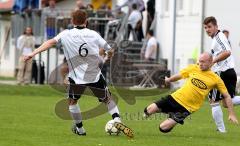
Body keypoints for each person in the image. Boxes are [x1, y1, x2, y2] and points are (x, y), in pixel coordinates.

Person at [23, 10, 133, 138]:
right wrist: (108, 56)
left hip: (77, 79)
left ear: (72, 21)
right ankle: (117, 120)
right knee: (108, 99)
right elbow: (109, 49)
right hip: (94, 75)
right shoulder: (94, 34)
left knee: (72, 102)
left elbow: (50, 43)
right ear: (86, 21)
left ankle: (80, 129)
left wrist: (33, 53)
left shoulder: (65, 34)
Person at [143, 53, 238, 133]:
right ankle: (161, 111)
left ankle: (173, 117)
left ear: (210, 62)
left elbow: (227, 96)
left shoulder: (216, 79)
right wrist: (169, 80)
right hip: (174, 98)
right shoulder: (193, 68)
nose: (200, 64)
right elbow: (180, 75)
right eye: (199, 61)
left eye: (203, 62)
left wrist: (231, 113)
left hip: (187, 108)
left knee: (163, 128)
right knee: (148, 110)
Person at [203, 16, 240, 133]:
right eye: (205, 28)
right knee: (226, 102)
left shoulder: (219, 37)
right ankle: (221, 130)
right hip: (228, 72)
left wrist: (213, 61)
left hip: (222, 73)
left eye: (209, 27)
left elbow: (227, 52)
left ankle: (221, 130)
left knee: (213, 101)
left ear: (216, 27)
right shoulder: (216, 38)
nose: (207, 30)